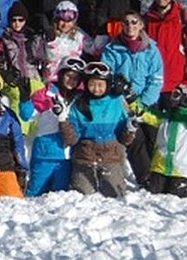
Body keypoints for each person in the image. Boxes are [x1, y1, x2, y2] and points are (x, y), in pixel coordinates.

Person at [101, 10, 164, 185]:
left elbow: (156, 78)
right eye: (126, 22)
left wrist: (143, 103)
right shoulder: (112, 49)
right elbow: (107, 75)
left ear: (141, 25)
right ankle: (145, 178)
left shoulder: (151, 49)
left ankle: (160, 175)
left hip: (147, 102)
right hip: (124, 104)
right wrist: (120, 96)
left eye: (134, 22)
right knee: (135, 140)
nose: (130, 26)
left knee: (155, 138)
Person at [58, 61, 136, 198]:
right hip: (85, 158)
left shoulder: (116, 102)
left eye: (100, 85)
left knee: (115, 195)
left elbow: (124, 140)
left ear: (107, 85)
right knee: (82, 197)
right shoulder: (78, 103)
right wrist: (63, 120)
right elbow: (71, 139)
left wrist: (131, 128)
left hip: (110, 157)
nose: (96, 89)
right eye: (92, 84)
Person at [19, 57, 85, 197]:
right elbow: (28, 116)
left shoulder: (79, 99)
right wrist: (25, 101)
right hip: (45, 154)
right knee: (35, 193)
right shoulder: (46, 94)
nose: (71, 81)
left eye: (75, 78)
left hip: (65, 157)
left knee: (59, 195)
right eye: (68, 76)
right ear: (61, 75)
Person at [139, 84, 187, 197]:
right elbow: (145, 114)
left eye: (176, 95)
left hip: (182, 170)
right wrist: (131, 98)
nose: (172, 99)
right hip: (161, 168)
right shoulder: (165, 118)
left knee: (177, 191)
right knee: (151, 189)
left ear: (186, 98)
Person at [30, 1, 93, 84]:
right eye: (62, 21)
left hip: (72, 80)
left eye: (69, 21)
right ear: (56, 20)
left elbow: (93, 49)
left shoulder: (79, 35)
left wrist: (102, 35)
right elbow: (35, 55)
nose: (65, 25)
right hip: (52, 80)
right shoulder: (49, 35)